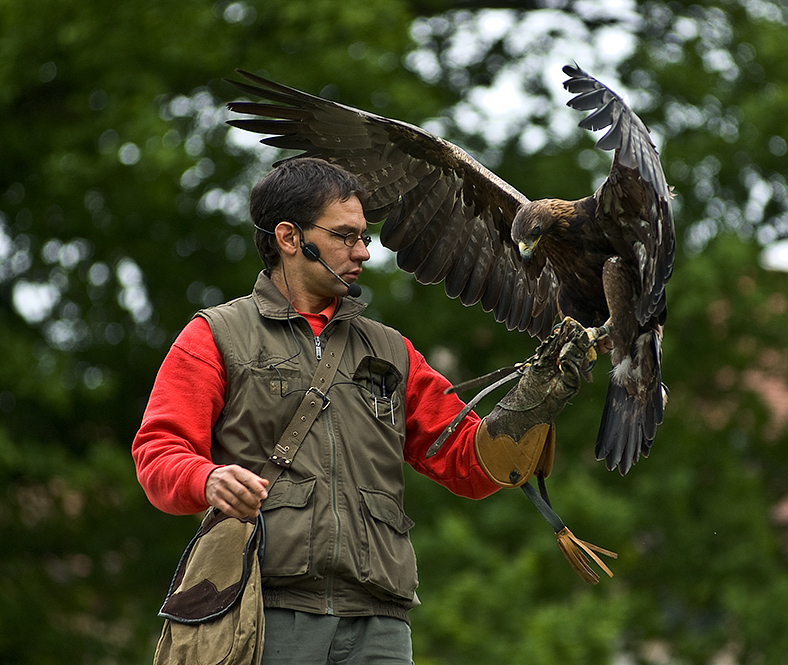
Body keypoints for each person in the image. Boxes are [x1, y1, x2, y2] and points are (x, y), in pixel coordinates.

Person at [132, 157, 593, 664]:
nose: (364, 253)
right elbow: (158, 452)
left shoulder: (392, 351)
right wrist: (206, 479)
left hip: (380, 623)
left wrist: (532, 403)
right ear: (289, 238)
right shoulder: (216, 335)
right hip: (267, 609)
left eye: (364, 237)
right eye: (346, 237)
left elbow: (469, 465)